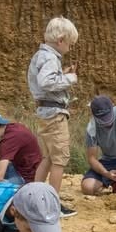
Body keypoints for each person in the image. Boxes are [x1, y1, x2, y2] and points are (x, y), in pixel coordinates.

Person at [27, 16, 79, 218]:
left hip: (44, 112)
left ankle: (34, 198)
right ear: (61, 40)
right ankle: (52, 204)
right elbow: (47, 82)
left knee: (48, 158)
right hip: (54, 114)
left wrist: (61, 74)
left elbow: (45, 80)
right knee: (59, 160)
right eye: (70, 44)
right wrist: (70, 78)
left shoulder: (40, 56)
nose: (70, 48)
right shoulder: (49, 57)